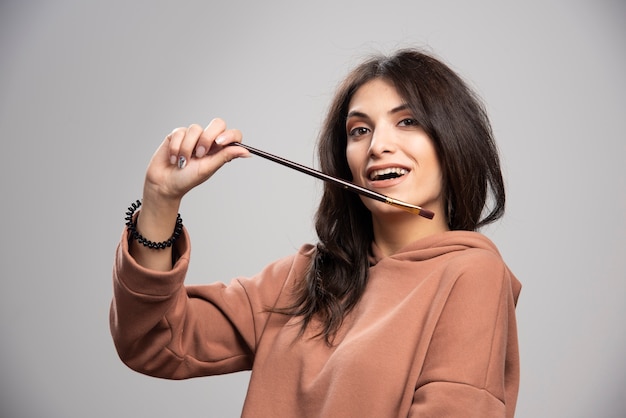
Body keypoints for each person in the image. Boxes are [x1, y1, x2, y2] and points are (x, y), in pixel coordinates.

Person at [110, 48, 522, 417]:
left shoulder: (472, 274)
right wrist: (161, 199)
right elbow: (152, 341)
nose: (378, 145)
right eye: (359, 130)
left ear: (452, 141)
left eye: (407, 121)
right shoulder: (304, 278)